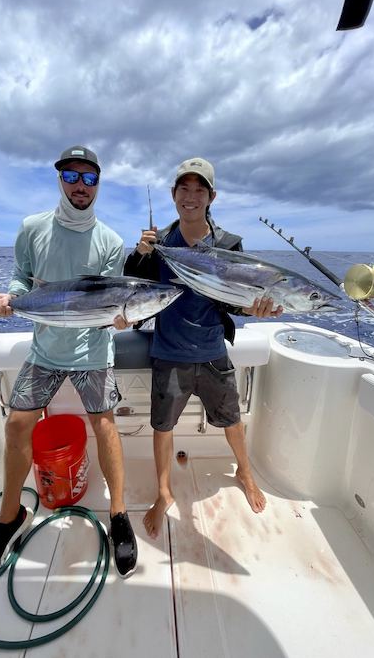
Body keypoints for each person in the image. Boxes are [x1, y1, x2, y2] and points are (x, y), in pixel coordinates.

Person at [0, 145, 137, 581]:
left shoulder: (111, 242)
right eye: (73, 177)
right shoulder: (31, 229)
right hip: (45, 349)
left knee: (105, 424)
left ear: (99, 184)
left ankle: (119, 515)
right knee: (16, 423)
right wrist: (8, 299)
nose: (81, 186)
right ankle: (9, 519)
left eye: (90, 179)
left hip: (92, 350)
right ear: (60, 179)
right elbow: (20, 279)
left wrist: (120, 318)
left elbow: (106, 299)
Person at [124, 157, 283, 539]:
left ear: (212, 196)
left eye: (200, 190)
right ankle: (163, 492)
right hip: (169, 351)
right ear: (173, 195)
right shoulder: (160, 241)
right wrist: (141, 254)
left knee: (231, 419)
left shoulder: (228, 245)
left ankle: (244, 471)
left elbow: (234, 299)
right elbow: (133, 287)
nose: (191, 197)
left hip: (212, 350)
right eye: (184, 189)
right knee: (163, 427)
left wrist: (253, 307)